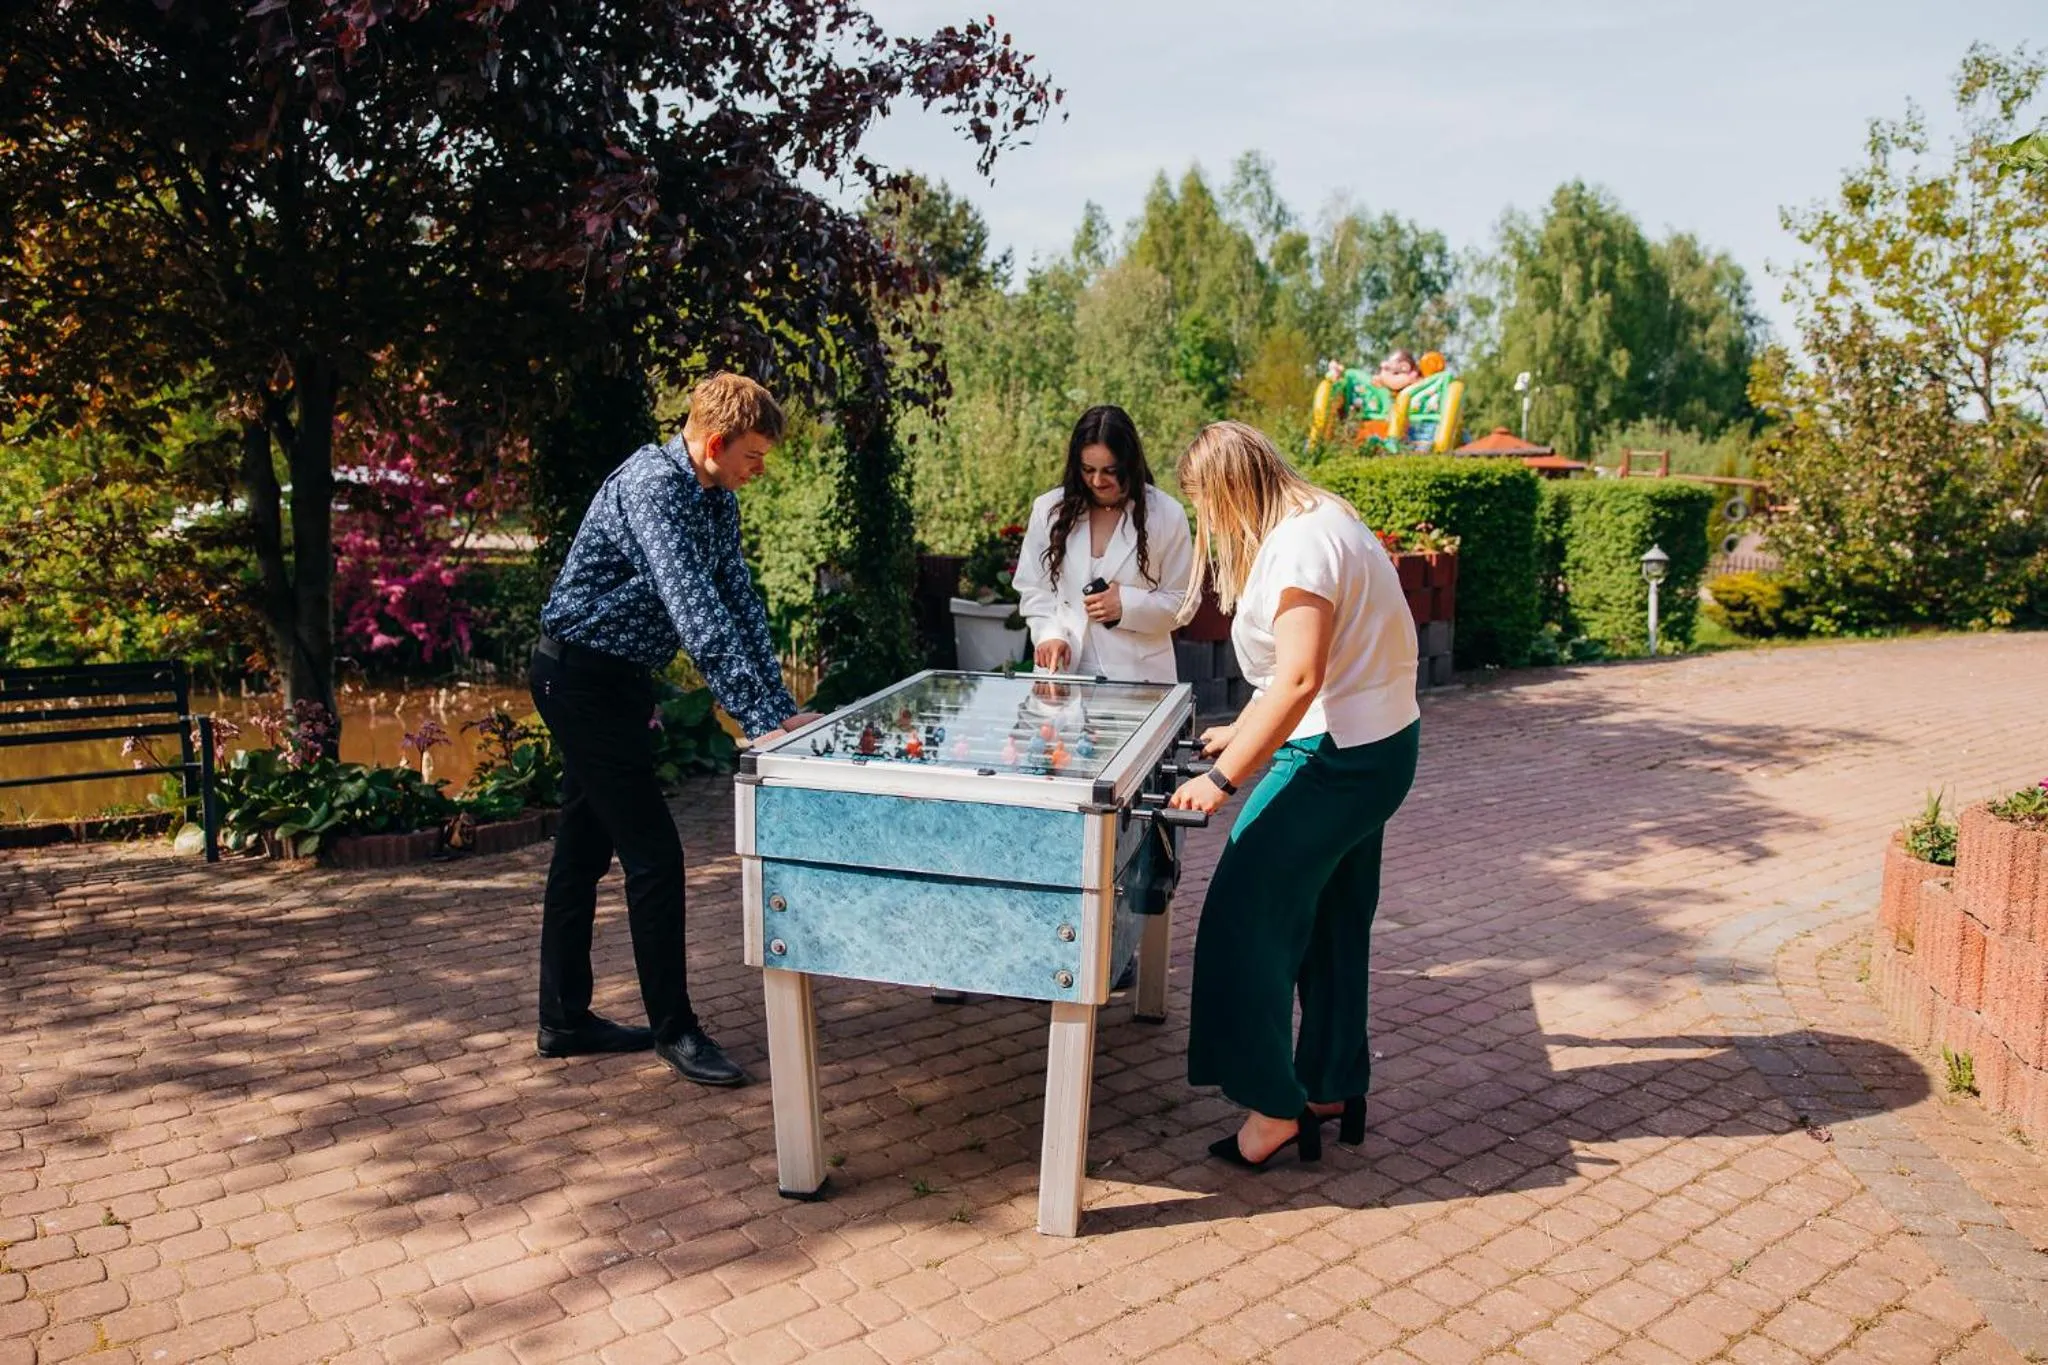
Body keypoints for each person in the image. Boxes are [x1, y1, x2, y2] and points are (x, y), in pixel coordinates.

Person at [530, 372, 820, 1087]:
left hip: (618, 683)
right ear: (716, 442)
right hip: (577, 679)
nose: (760, 468)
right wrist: (756, 718)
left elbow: (738, 598)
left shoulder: (714, 498)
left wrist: (777, 706)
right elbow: (697, 614)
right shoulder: (654, 487)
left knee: (581, 854)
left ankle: (563, 1019)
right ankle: (675, 1029)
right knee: (655, 857)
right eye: (754, 455)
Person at [1166, 419, 1420, 1168]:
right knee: (1335, 920)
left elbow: (1302, 675)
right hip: (1377, 744)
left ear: (1226, 492)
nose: (1207, 526)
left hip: (1338, 753)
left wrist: (1222, 780)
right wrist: (1238, 729)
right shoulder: (1324, 516)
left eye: (1204, 507)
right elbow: (1316, 669)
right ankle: (1332, 1080)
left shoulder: (1300, 546)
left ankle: (1274, 1106)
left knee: (1242, 917)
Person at [1012, 405, 1194, 684]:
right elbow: (1034, 587)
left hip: (1139, 682)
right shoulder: (1049, 510)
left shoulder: (1167, 514)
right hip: (1062, 677)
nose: (1097, 481)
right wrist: (1049, 635)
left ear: (1130, 464)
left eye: (1110, 470)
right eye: (1088, 470)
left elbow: (1184, 602)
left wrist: (1126, 605)